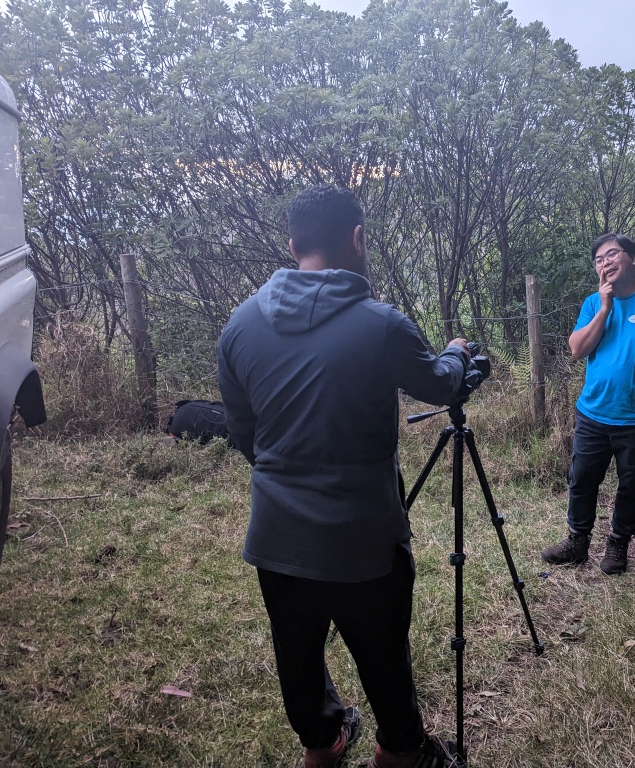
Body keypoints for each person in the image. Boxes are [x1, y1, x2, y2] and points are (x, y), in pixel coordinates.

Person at [217, 184, 468, 768]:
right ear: (357, 239)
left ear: (291, 245)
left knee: (297, 654)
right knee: (383, 653)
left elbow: (241, 431)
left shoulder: (239, 326)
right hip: (365, 539)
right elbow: (441, 383)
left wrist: (286, 476)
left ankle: (322, 743)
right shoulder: (381, 324)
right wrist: (459, 352)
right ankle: (400, 750)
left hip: (277, 536)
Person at [541, 232, 635, 575]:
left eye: (613, 255)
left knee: (633, 485)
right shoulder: (593, 303)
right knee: (582, 480)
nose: (606, 262)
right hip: (593, 413)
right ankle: (577, 543)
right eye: (599, 260)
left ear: (633, 258)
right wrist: (605, 307)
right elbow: (577, 350)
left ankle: (618, 543)